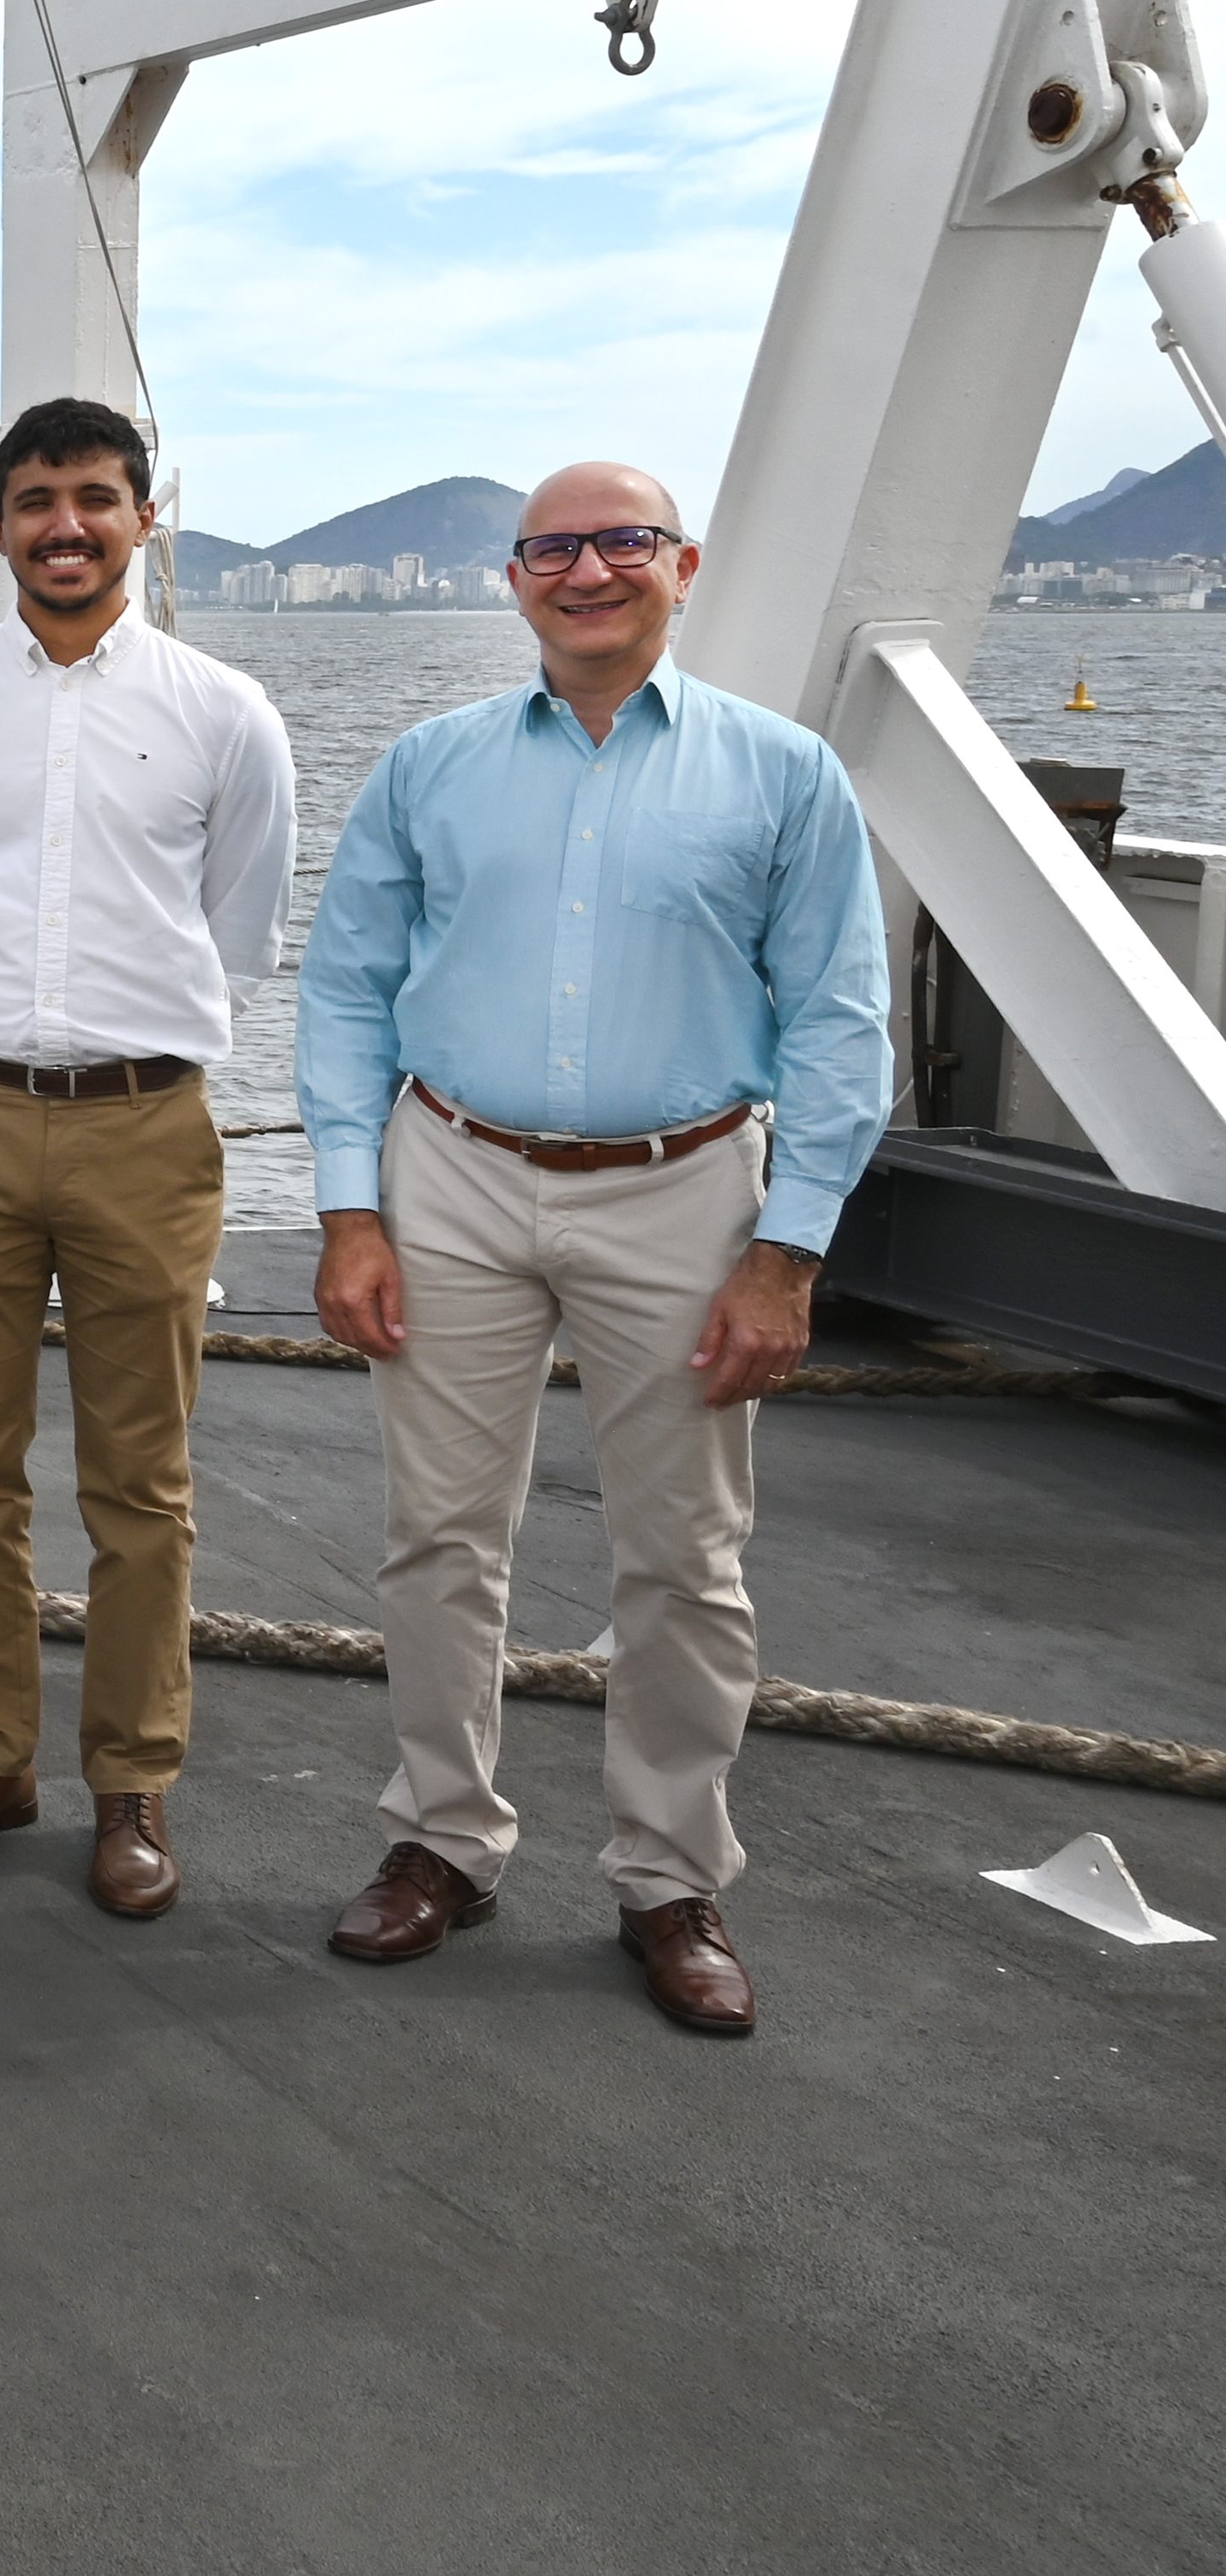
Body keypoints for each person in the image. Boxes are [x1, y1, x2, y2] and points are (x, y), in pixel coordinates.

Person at [298, 466, 886, 2038]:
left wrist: (790, 1252)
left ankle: (669, 1875)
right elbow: (347, 990)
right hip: (458, 1178)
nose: (589, 570)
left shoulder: (784, 776)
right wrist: (351, 1208)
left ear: (682, 569)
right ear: (515, 580)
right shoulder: (430, 771)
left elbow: (839, 1021)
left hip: (687, 1186)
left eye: (624, 543)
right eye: (555, 548)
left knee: (686, 1556)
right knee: (438, 1536)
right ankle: (443, 1837)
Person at [0, 396, 295, 1917]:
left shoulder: (224, 711)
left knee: (142, 1483)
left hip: (143, 1125)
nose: (65, 525)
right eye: (35, 499)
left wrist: (114, 1038)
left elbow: (238, 926)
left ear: (144, 515)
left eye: (95, 499)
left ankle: (133, 1784)